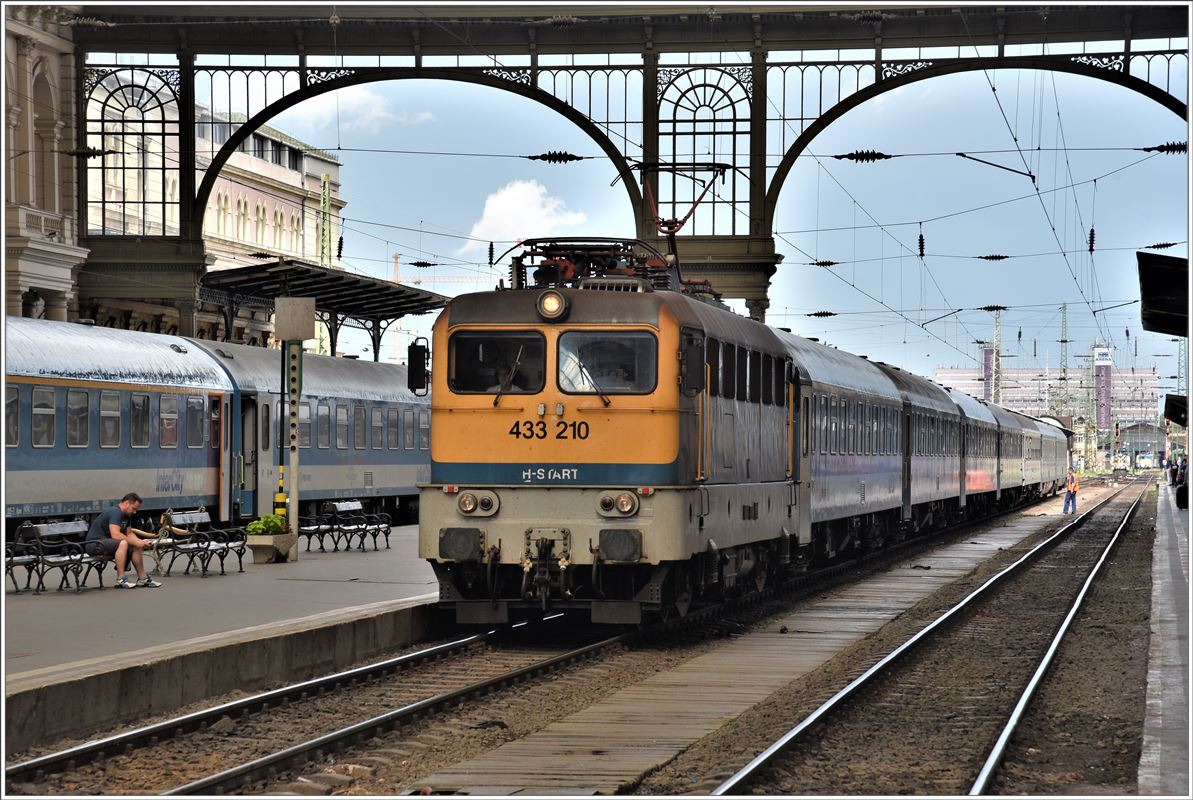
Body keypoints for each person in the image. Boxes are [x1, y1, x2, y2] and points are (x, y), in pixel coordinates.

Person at [85, 492, 162, 589]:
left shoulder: (126, 515)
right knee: (123, 543)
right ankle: (121, 579)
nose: (135, 512)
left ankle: (142, 578)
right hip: (94, 544)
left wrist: (140, 542)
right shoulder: (115, 512)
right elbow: (115, 534)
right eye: (134, 509)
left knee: (135, 545)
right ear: (126, 503)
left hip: (105, 543)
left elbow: (129, 533)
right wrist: (137, 542)